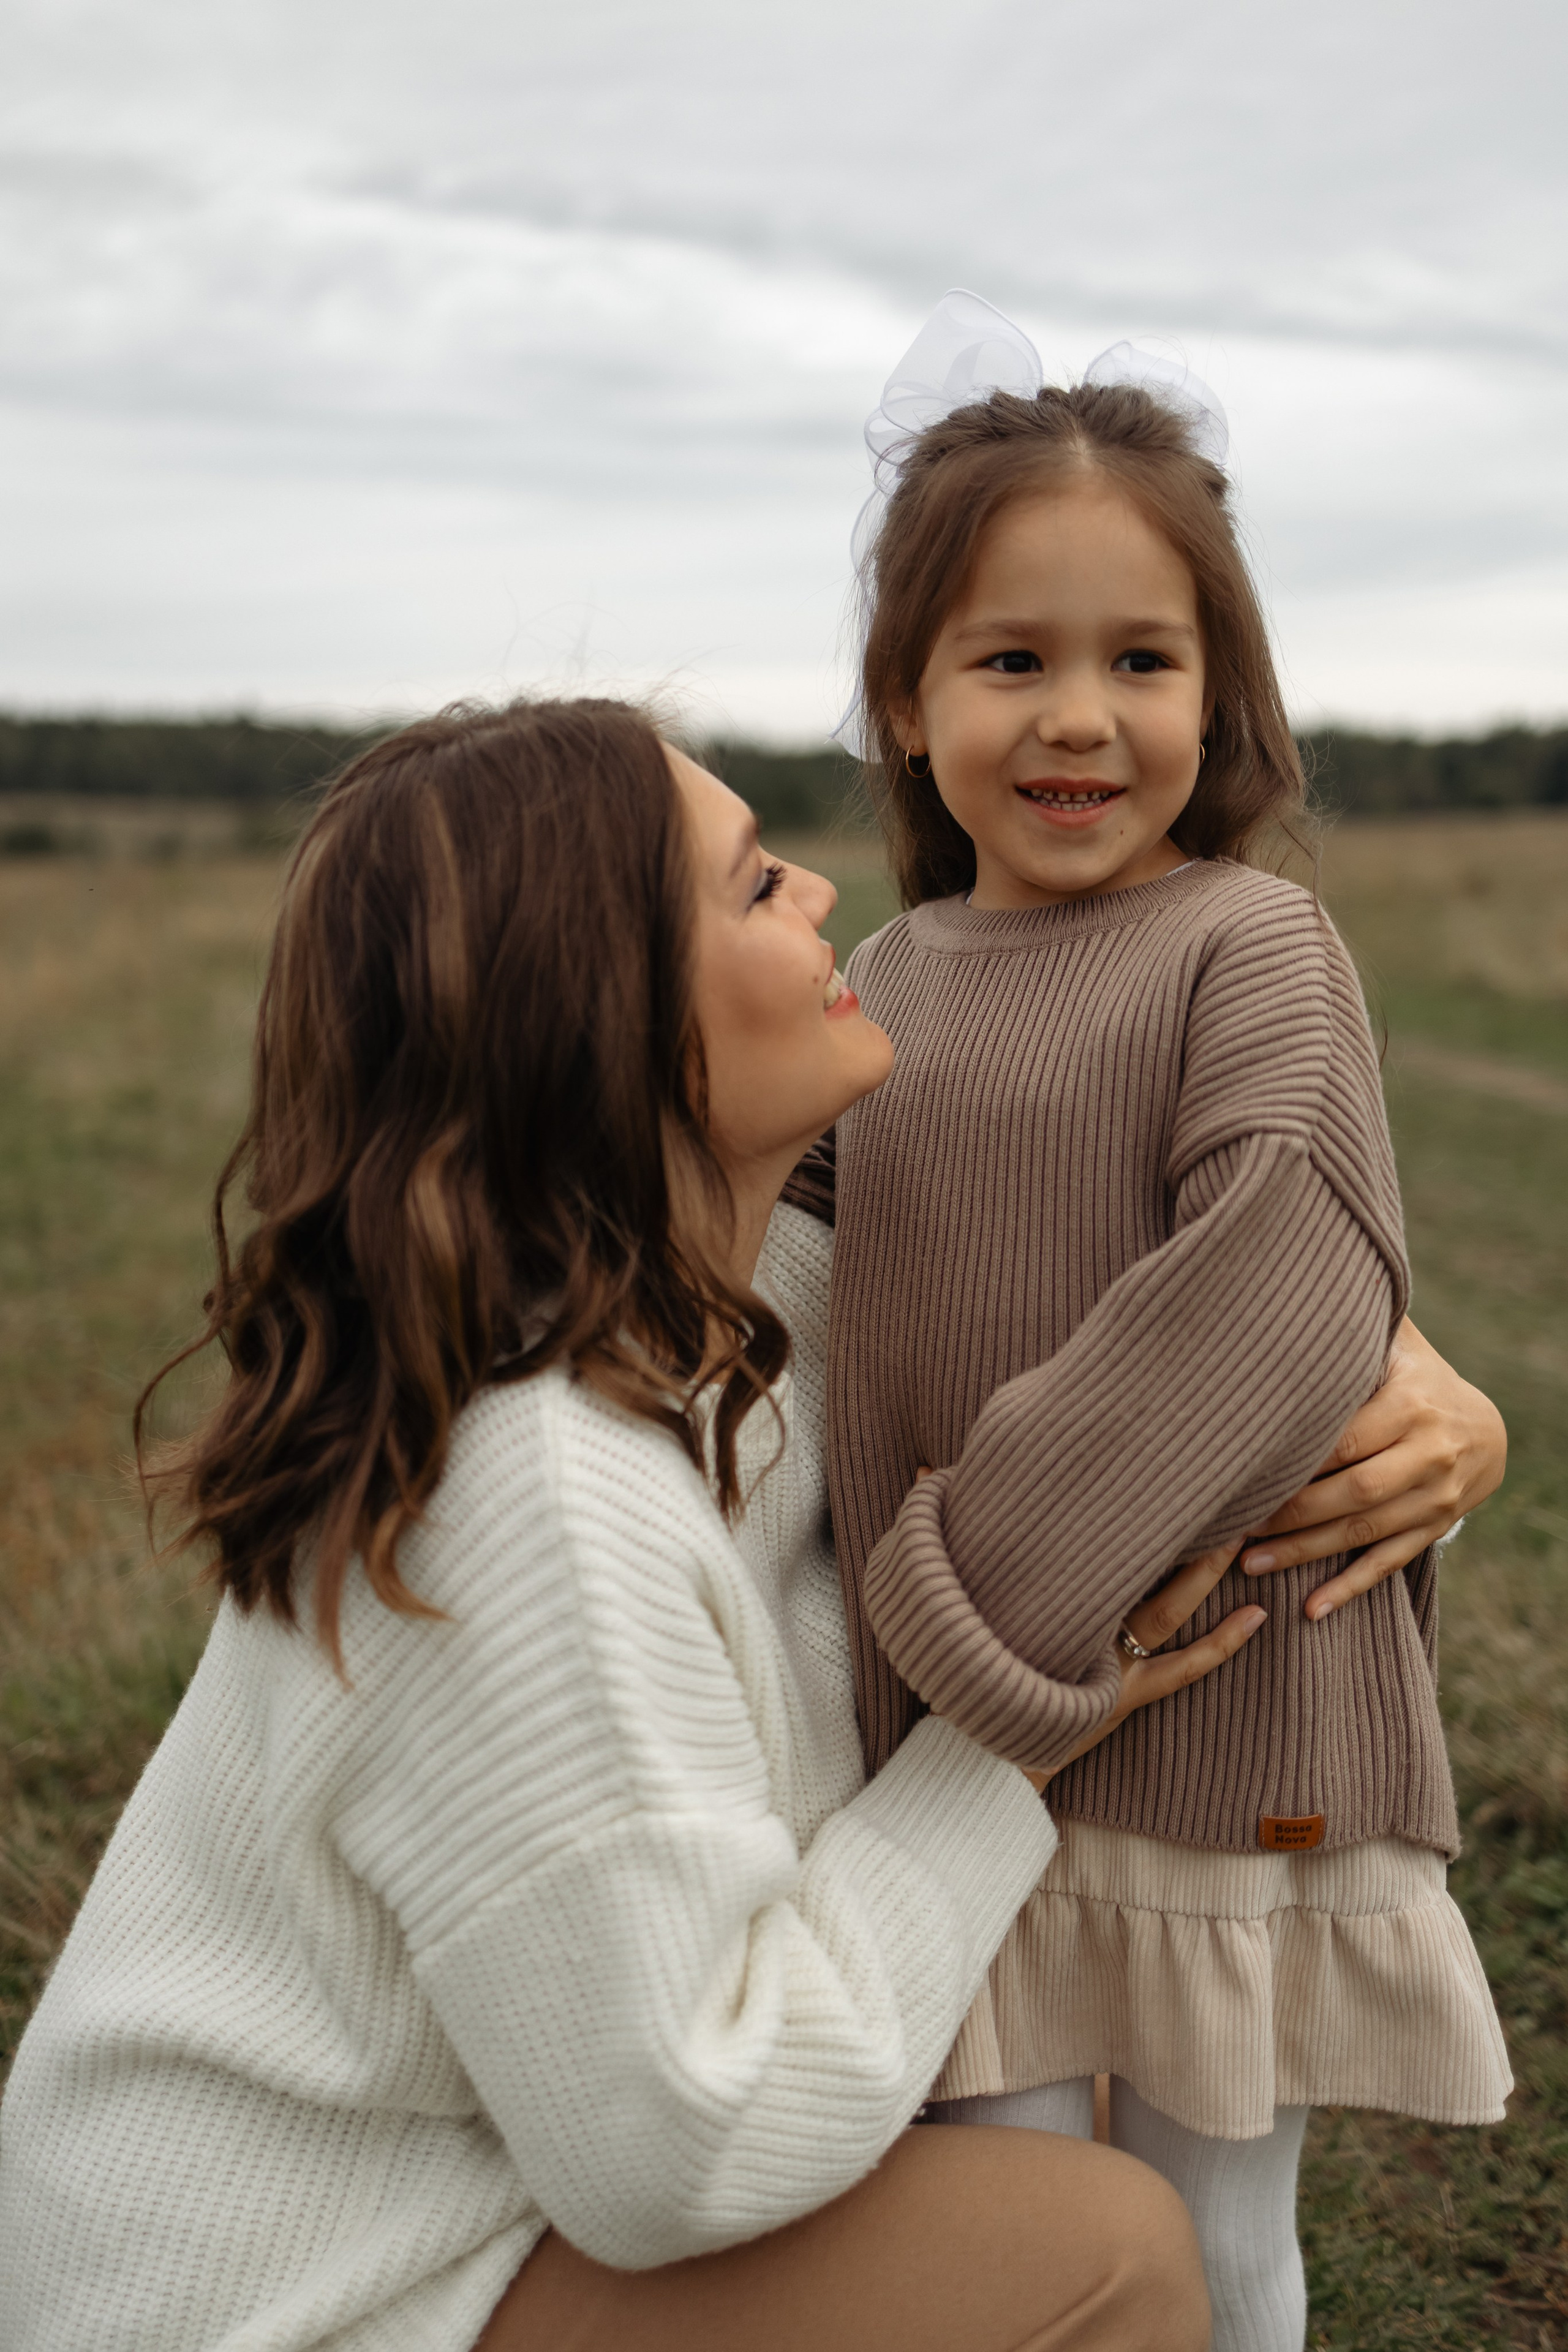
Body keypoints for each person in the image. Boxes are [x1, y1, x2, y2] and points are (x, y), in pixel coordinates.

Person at [0, 699, 1494, 2352]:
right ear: (606, 1013)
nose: (824, 899)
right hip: (302, 2294)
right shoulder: (534, 1493)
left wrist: (1425, 1385)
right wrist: (997, 1750)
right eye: (752, 884)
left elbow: (1121, 1336)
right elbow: (689, 2142)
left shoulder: (744, 1311)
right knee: (1098, 2258)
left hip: (470, 2206)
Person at [783, 293, 1513, 2352]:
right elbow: (799, 1248)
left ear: (1226, 696)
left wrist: (955, 1608)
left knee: (1206, 2237)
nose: (1078, 716)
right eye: (1011, 660)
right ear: (906, 707)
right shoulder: (892, 978)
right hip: (971, 1762)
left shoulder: (1249, 941)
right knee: (1009, 2220)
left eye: (1142, 660)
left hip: (1206, 1709)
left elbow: (1274, 1288)